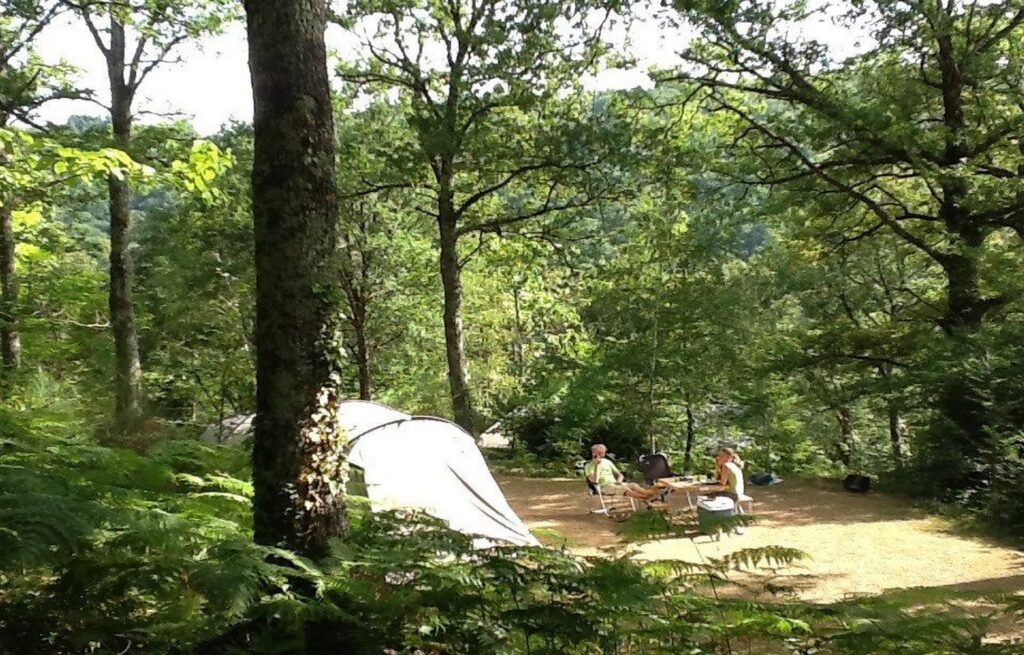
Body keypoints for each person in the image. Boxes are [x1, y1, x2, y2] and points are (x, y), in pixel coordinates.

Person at [584, 444, 663, 502]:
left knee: (633, 485)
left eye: (603, 452)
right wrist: (597, 466)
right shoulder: (589, 466)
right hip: (605, 487)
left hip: (615, 484)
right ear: (594, 453)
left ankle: (651, 492)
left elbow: (620, 474)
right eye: (601, 452)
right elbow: (595, 481)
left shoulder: (607, 462)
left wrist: (619, 481)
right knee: (628, 490)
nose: (603, 454)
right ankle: (653, 491)